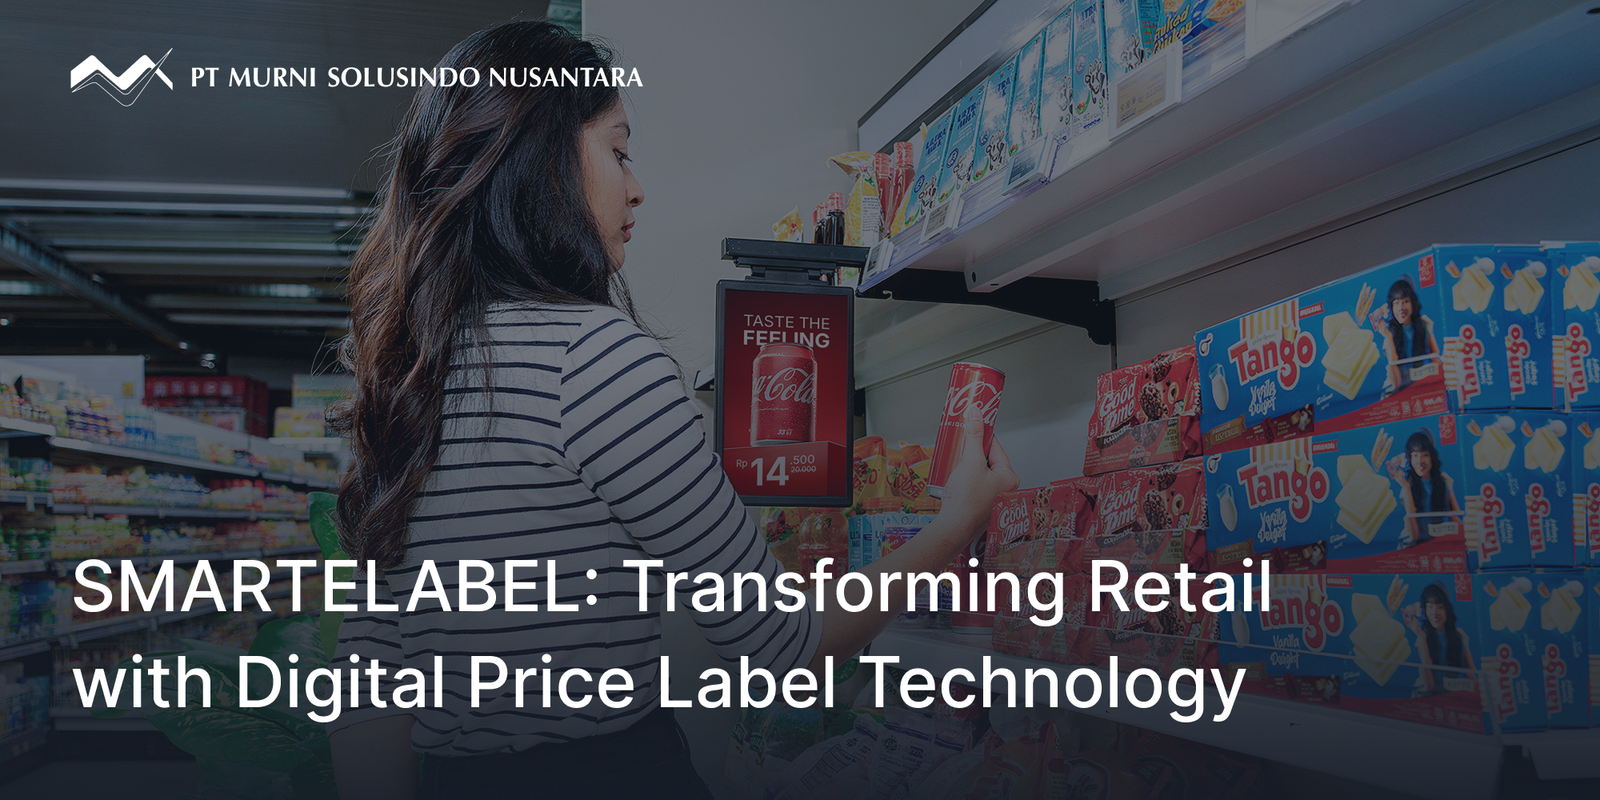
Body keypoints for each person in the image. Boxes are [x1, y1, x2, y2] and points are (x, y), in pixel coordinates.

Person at [325, 21, 1018, 800]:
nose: (637, 184)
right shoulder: (594, 360)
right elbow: (782, 644)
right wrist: (955, 524)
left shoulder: (410, 376)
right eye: (618, 149)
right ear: (541, 157)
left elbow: (370, 688)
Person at [1403, 583, 1475, 695]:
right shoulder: (1422, 639)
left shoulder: (1459, 636)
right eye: (1430, 607)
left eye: (1440, 607)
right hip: (1427, 699)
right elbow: (1429, 686)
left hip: (1452, 698)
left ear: (1448, 610)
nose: (1434, 613)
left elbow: (1471, 676)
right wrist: (1421, 637)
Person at [1396, 430, 1460, 547]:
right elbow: (1414, 535)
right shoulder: (1407, 487)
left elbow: (1456, 518)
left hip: (1438, 544)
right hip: (1412, 547)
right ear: (1410, 459)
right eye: (1415, 455)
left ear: (1432, 457)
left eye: (1425, 455)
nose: (1420, 461)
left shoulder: (1444, 482)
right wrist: (1406, 488)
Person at [1377, 278, 1440, 393]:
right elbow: (1397, 383)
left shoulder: (1424, 326)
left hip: (1422, 385)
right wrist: (1388, 337)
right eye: (1396, 303)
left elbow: (1436, 359)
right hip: (1399, 392)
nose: (1401, 308)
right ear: (1391, 307)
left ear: (1413, 303)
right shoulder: (1389, 334)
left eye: (1405, 301)